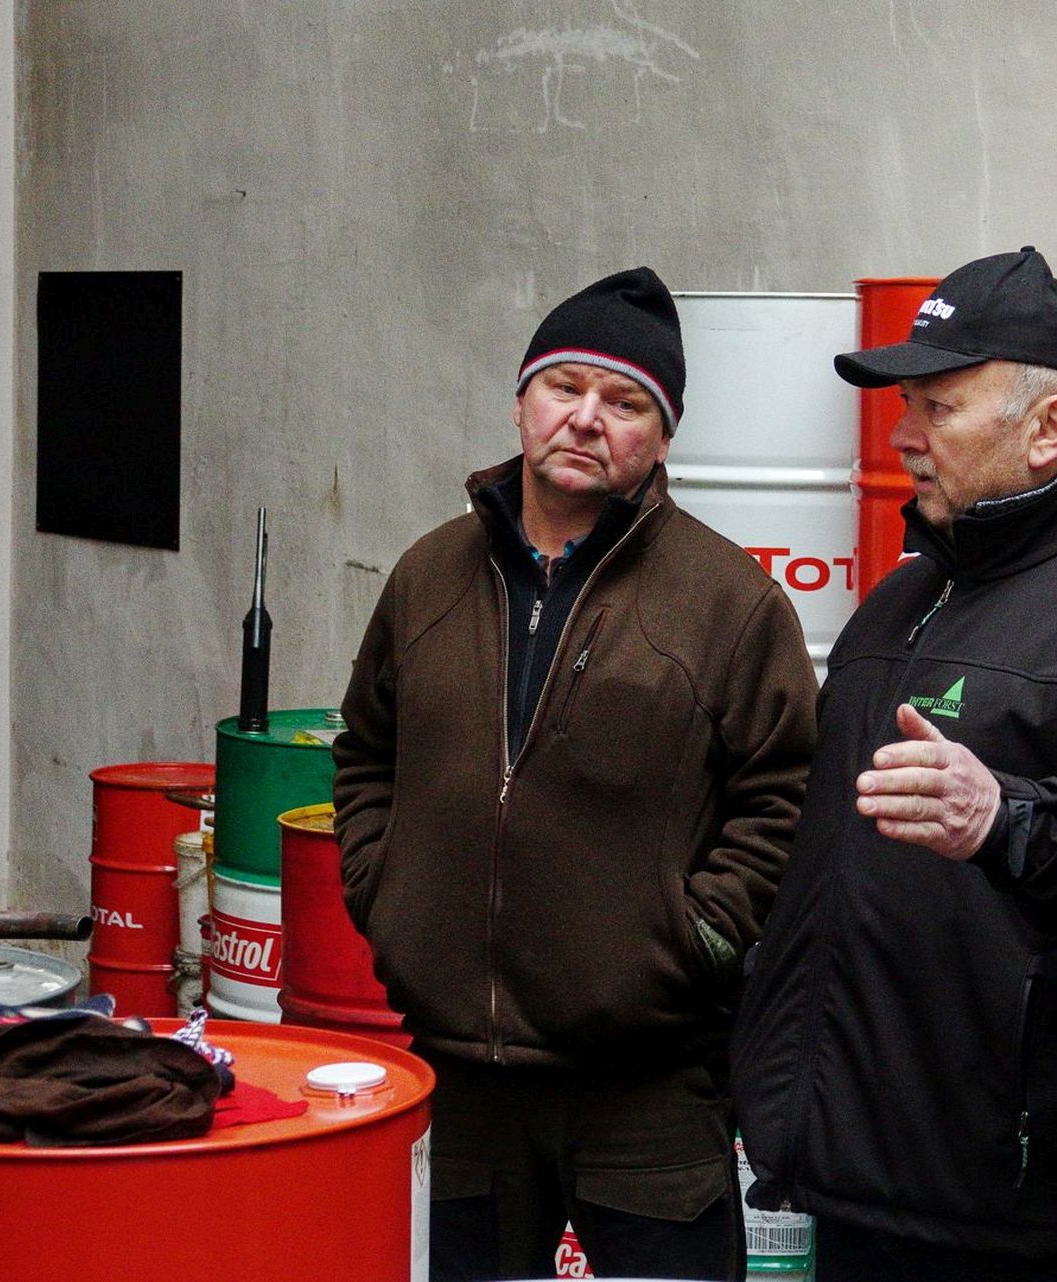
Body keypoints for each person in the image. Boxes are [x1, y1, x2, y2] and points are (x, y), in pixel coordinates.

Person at [730, 247, 1057, 1282]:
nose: (902, 435)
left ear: (1048, 429)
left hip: (1018, 1215)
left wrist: (1009, 821)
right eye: (906, 406)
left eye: (937, 407)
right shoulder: (903, 597)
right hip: (854, 1180)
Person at [332, 267, 818, 1282]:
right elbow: (367, 749)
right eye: (565, 387)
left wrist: (696, 938)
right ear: (522, 403)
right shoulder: (428, 576)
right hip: (459, 1081)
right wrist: (386, 894)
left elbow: (783, 797)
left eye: (626, 402)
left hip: (646, 1087)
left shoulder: (728, 602)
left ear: (662, 437)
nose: (587, 418)